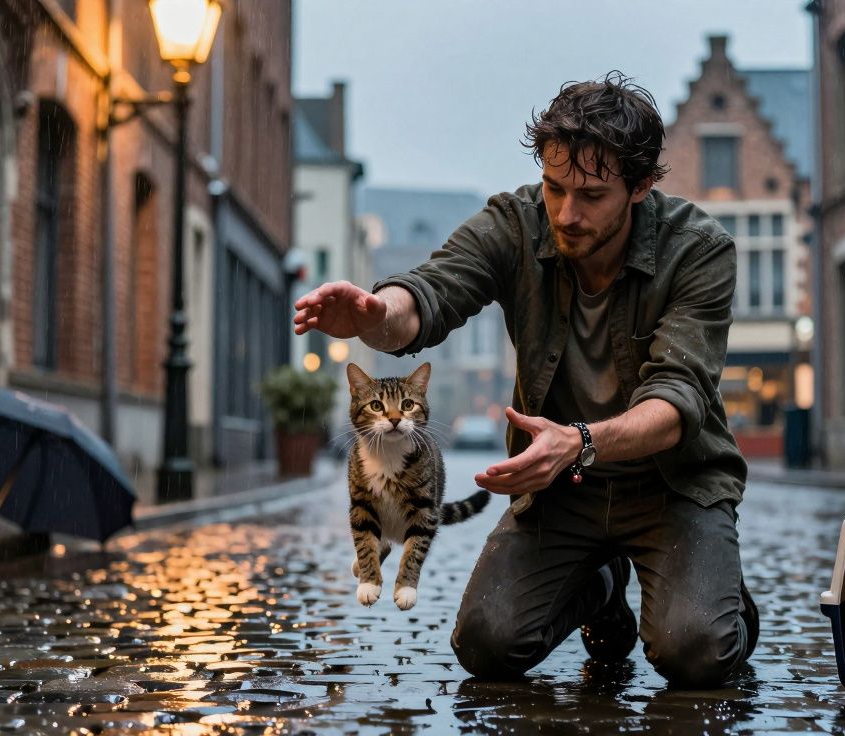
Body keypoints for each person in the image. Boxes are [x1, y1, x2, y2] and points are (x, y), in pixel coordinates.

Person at [292, 72, 756, 689]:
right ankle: (599, 587)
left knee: (694, 652)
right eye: (554, 185)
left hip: (672, 486)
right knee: (486, 644)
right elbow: (436, 288)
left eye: (591, 195)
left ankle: (726, 606)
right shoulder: (516, 222)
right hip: (561, 487)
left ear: (641, 186)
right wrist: (379, 318)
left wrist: (580, 440)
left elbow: (679, 397)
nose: (566, 213)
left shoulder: (697, 249)